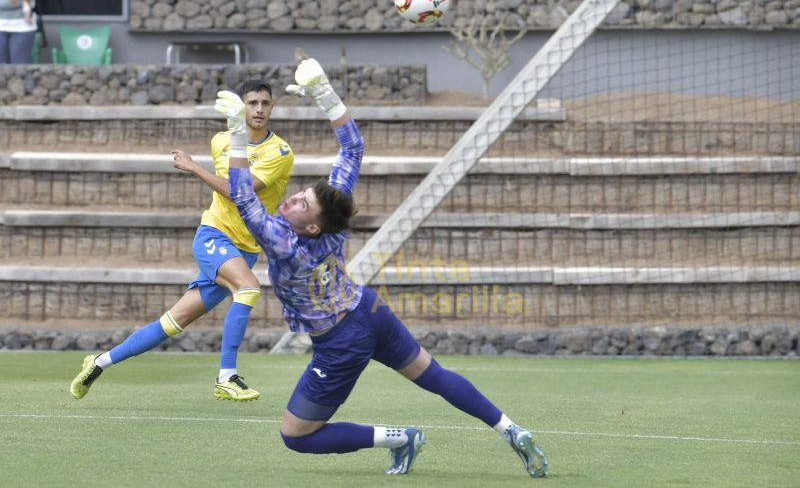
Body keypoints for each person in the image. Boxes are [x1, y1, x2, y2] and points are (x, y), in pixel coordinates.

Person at [221, 58, 549, 477]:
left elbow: (243, 197)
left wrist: (236, 133)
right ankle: (511, 429)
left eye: (301, 202)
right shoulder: (330, 221)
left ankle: (400, 437)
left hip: (340, 341)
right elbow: (353, 147)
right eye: (300, 193)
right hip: (369, 313)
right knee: (433, 375)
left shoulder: (285, 242)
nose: (292, 200)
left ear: (312, 225)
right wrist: (325, 94)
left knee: (296, 436)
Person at [70, 79, 294, 402]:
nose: (259, 109)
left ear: (273, 107)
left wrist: (193, 167)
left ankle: (99, 362)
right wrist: (204, 163)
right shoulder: (220, 141)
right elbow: (228, 190)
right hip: (213, 236)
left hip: (245, 250)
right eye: (252, 103)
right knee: (248, 288)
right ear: (241, 107)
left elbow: (239, 192)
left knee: (172, 323)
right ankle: (227, 376)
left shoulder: (280, 152)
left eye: (265, 103)